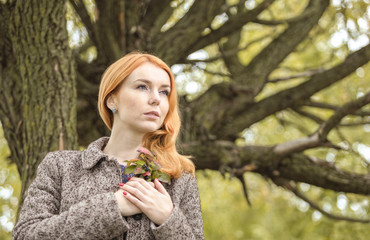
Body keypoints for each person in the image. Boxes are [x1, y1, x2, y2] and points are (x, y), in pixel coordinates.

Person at [13, 52, 204, 239]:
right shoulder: (61, 166)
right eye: (142, 87)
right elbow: (25, 235)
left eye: (164, 92)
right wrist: (113, 207)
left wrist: (167, 219)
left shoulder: (180, 177)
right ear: (112, 99)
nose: (156, 99)